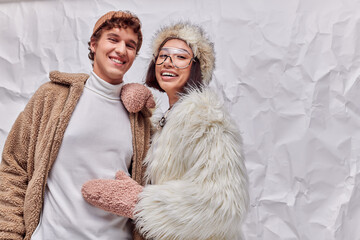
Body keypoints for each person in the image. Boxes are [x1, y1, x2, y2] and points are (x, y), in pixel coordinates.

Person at [82, 22, 249, 239]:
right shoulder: (165, 119)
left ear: (196, 67)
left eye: (181, 57)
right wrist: (133, 100)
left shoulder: (206, 120)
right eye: (163, 56)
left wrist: (140, 202)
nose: (169, 63)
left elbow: (225, 204)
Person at [0, 10, 154, 240]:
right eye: (113, 39)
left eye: (130, 45)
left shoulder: (140, 120)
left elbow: (151, 189)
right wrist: (9, 234)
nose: (121, 50)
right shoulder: (52, 97)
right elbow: (14, 166)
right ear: (93, 44)